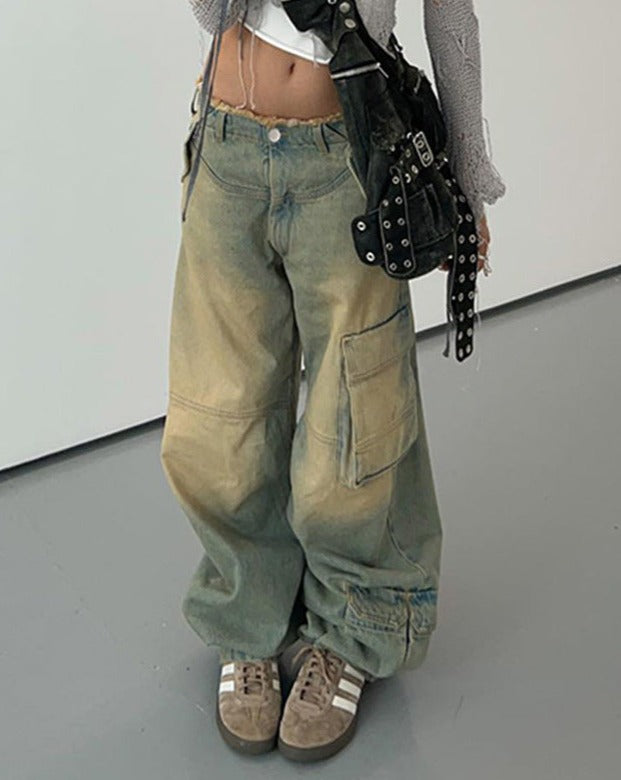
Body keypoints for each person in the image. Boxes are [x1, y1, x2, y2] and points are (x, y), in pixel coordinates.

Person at [160, 0, 506, 763]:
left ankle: (353, 630)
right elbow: (212, 15)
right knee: (217, 416)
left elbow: (451, 19)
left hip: (346, 160)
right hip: (227, 148)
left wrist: (466, 181)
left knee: (357, 415)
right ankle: (247, 619)